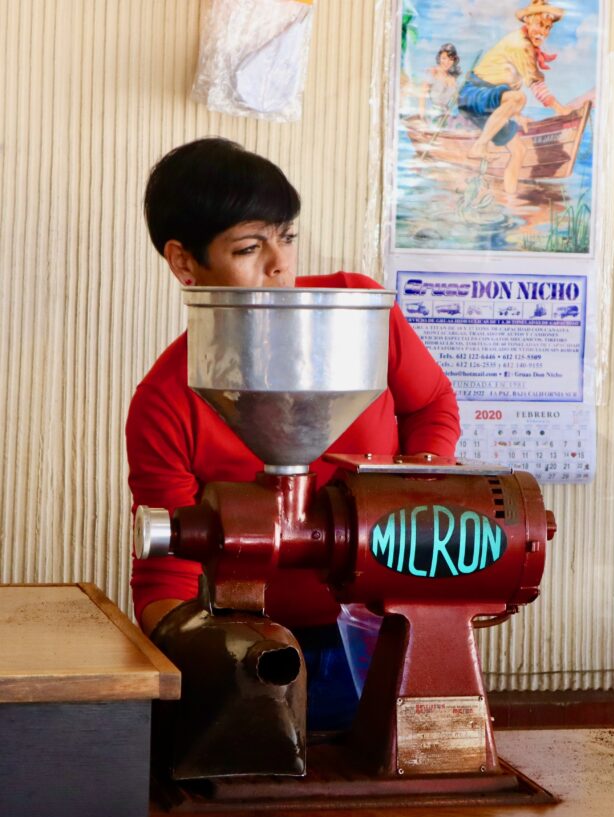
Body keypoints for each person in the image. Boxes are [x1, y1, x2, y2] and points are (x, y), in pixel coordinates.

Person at [127, 137, 461, 729]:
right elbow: (167, 576)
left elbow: (431, 402)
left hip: (377, 625)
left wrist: (412, 495)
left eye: (287, 236)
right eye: (251, 247)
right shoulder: (165, 402)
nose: (280, 263)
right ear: (184, 262)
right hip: (257, 645)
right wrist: (213, 668)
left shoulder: (357, 312)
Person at [458, 0, 572, 194]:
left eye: (547, 27)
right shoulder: (520, 44)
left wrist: (516, 115)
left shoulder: (527, 47)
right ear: (527, 21)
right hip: (474, 95)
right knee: (518, 98)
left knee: (519, 150)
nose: (543, 32)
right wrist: (560, 109)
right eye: (539, 25)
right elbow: (534, 84)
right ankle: (480, 145)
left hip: (492, 104)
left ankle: (510, 199)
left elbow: (506, 94)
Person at [418, 42, 461, 124]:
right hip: (432, 116)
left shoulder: (452, 79)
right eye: (444, 58)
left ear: (454, 60)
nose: (447, 62)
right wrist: (422, 117)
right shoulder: (433, 72)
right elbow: (422, 95)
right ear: (439, 58)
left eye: (450, 59)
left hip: (447, 116)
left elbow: (456, 101)